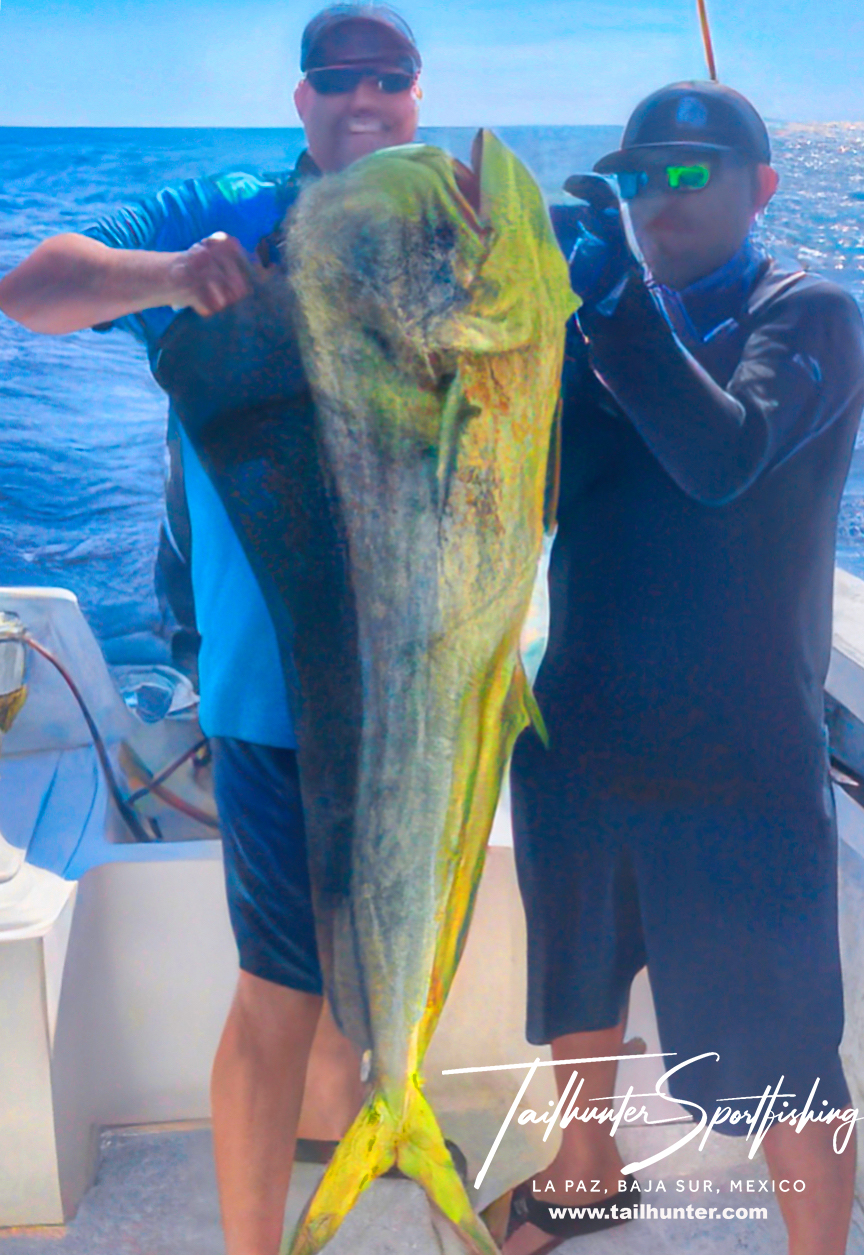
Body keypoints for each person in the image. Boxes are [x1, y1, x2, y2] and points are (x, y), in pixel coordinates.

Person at [0, 7, 425, 1253]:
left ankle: (345, 1125)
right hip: (269, 693)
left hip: (423, 692)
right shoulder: (225, 211)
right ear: (301, 99)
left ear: (416, 94)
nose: (363, 97)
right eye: (336, 78)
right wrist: (175, 277)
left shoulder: (447, 225)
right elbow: (32, 291)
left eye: (388, 78)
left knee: (378, 957)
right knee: (281, 985)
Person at [505, 82, 864, 1255]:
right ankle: (584, 1171)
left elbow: (723, 456)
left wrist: (613, 303)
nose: (660, 196)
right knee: (576, 983)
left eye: (690, 172)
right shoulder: (587, 329)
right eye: (638, 175)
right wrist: (514, 320)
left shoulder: (806, 316)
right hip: (580, 732)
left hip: (740, 762)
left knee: (787, 1062)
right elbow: (523, 491)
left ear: (761, 187)